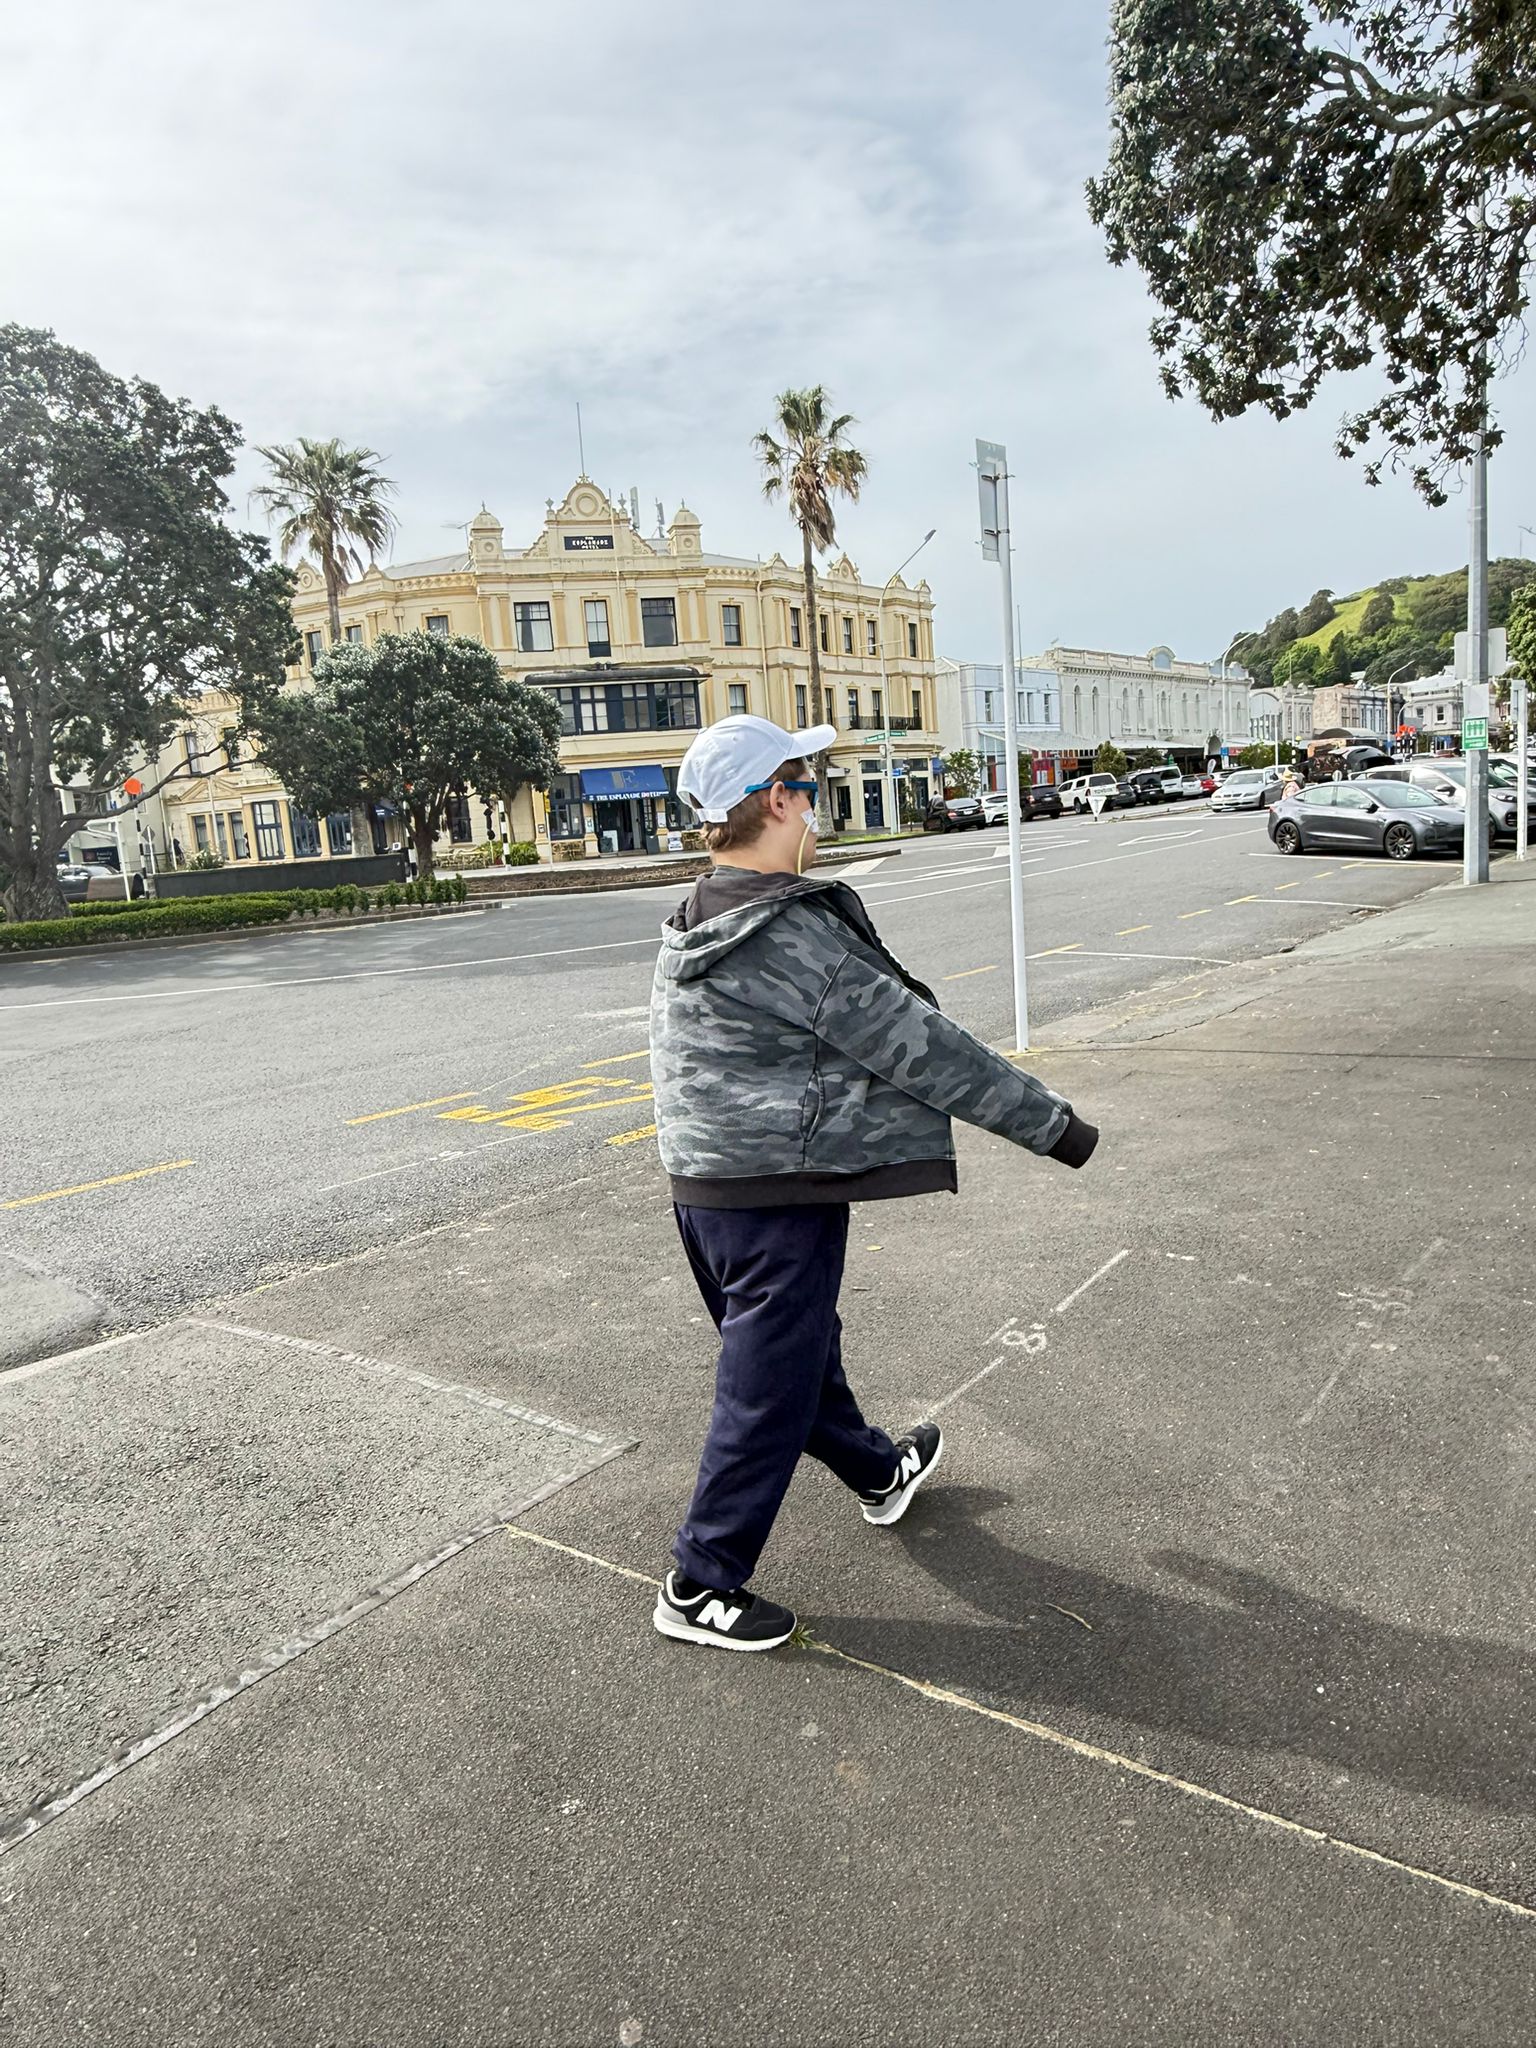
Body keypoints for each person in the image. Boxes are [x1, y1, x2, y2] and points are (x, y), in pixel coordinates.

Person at [648, 714, 1099, 1652]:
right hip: (774, 1191)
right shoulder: (785, 934)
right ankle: (700, 1583)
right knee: (764, 1390)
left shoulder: (704, 908)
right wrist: (1055, 1128)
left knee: (796, 1356)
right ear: (778, 801)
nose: (817, 807)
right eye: (809, 788)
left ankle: (877, 1472)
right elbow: (921, 1046)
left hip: (709, 1187)